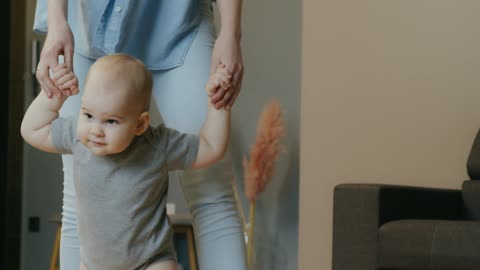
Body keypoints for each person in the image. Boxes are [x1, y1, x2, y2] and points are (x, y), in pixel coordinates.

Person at [33, 0, 246, 269]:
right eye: (89, 117)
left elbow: (210, 147)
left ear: (142, 124)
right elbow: (33, 129)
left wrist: (231, 33)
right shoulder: (78, 132)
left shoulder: (161, 145)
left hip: (177, 18)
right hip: (86, 22)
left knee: (211, 190)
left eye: (109, 122)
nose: (96, 128)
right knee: (78, 193)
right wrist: (56, 23)